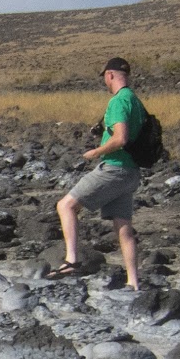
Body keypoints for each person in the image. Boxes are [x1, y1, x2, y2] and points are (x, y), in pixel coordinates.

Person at [50, 56, 146, 288]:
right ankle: (133, 282)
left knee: (66, 205)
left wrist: (97, 152)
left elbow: (121, 138)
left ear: (109, 75)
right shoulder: (135, 100)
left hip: (114, 169)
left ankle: (71, 260)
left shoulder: (118, 102)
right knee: (123, 227)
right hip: (131, 172)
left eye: (105, 76)